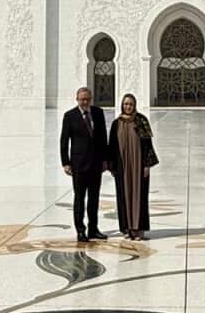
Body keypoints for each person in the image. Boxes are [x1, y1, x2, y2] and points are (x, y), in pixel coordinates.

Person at [59, 86, 109, 242]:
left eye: (87, 99)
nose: (85, 102)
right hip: (79, 165)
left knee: (94, 199)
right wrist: (66, 163)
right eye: (82, 99)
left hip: (95, 164)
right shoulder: (70, 116)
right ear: (77, 99)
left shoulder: (98, 113)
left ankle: (93, 229)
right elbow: (64, 140)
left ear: (91, 99)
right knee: (79, 199)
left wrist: (105, 160)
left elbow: (103, 138)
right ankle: (80, 230)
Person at [108, 93, 158, 240]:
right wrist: (111, 166)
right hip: (122, 166)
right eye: (125, 104)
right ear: (122, 105)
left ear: (134, 105)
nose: (128, 107)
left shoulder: (141, 121)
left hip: (138, 165)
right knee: (124, 195)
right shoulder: (116, 123)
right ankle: (127, 228)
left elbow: (148, 145)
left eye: (130, 104)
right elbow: (111, 146)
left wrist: (147, 165)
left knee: (139, 194)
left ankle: (139, 228)